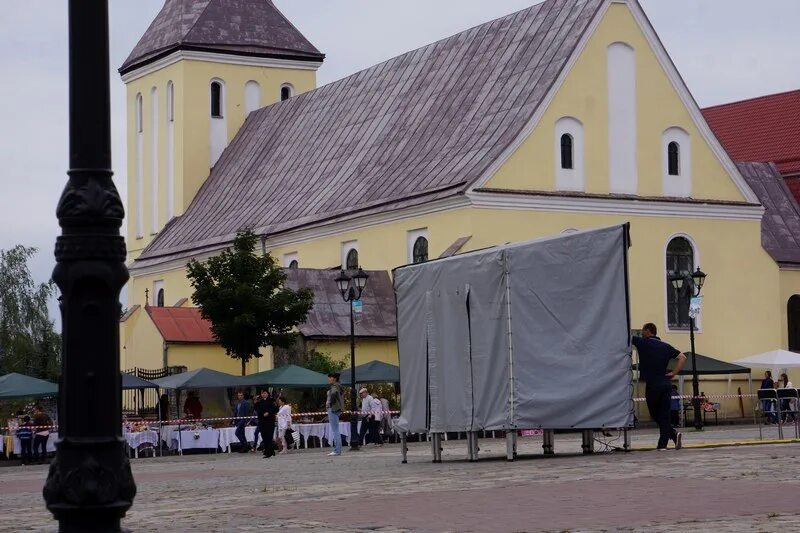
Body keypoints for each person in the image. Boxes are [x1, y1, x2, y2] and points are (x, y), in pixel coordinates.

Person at [631, 323, 687, 450]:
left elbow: (626, 337)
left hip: (653, 385)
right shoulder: (666, 346)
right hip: (666, 384)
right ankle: (665, 443)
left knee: (655, 414)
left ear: (647, 331)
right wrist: (674, 372)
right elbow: (682, 357)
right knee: (664, 415)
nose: (642, 333)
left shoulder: (643, 342)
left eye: (643, 331)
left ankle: (672, 435)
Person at [254, 389, 278, 458]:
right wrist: (255, 402)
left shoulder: (271, 400)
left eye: (264, 393)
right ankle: (268, 450)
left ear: (267, 393)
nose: (263, 394)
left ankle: (269, 452)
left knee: (269, 436)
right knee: (264, 436)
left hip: (270, 421)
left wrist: (269, 413)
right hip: (262, 421)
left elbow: (275, 409)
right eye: (262, 393)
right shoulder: (260, 401)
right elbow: (257, 409)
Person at [326, 372, 343, 456]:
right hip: (336, 409)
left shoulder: (334, 386)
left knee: (335, 430)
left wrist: (330, 404)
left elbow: (333, 393)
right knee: (336, 429)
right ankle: (338, 449)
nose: (328, 379)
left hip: (333, 409)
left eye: (330, 377)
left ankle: (337, 450)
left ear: (334, 379)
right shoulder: (338, 385)